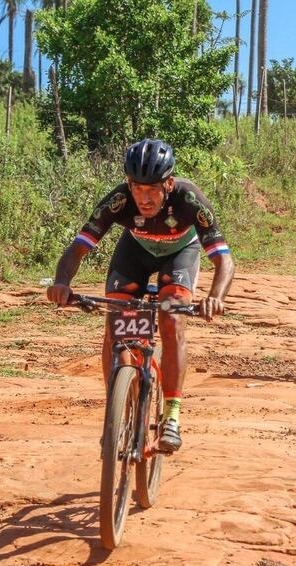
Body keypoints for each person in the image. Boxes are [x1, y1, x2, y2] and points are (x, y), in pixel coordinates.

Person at [46, 138, 235, 453]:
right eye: (137, 189)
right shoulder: (119, 200)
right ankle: (116, 406)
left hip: (179, 254)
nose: (144, 199)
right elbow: (79, 247)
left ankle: (172, 414)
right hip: (135, 252)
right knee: (116, 320)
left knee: (172, 317)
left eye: (152, 190)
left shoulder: (189, 199)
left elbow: (224, 259)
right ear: (129, 185)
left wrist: (216, 296)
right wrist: (62, 282)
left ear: (169, 184)